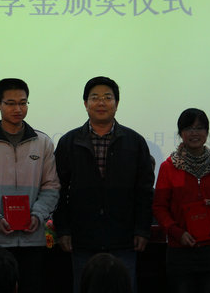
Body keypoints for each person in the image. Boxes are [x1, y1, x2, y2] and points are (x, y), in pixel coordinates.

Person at [53, 76, 154, 293]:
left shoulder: (135, 142)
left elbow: (144, 191)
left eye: (108, 97)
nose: (101, 103)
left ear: (116, 103)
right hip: (82, 238)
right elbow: (58, 190)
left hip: (124, 238)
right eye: (95, 98)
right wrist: (63, 230)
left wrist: (142, 229)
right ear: (85, 103)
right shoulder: (69, 142)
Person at [0, 78, 60, 293]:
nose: (18, 109)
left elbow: (51, 187)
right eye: (10, 103)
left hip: (32, 242)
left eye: (23, 103)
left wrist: (37, 216)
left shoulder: (43, 142)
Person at [152, 108, 210, 293]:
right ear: (180, 133)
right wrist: (177, 233)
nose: (194, 133)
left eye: (199, 128)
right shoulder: (169, 167)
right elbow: (159, 207)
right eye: (189, 128)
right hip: (180, 249)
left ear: (207, 132)